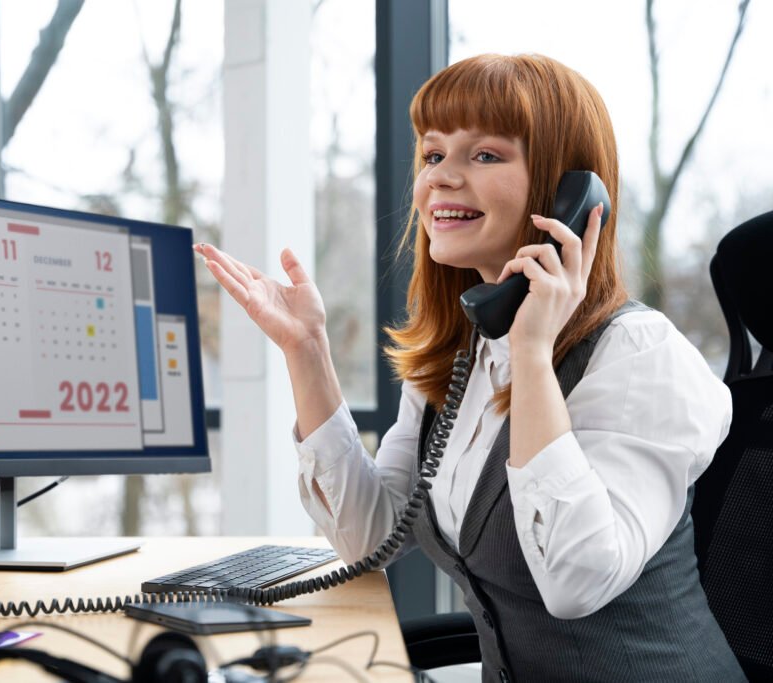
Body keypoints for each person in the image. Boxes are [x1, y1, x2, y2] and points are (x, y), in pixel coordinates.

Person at [195, 53, 744, 682]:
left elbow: (576, 580)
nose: (440, 180)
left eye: (484, 155)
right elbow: (368, 538)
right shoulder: (464, 353)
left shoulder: (641, 357)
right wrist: (307, 351)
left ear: (569, 194)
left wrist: (534, 352)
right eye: (432, 156)